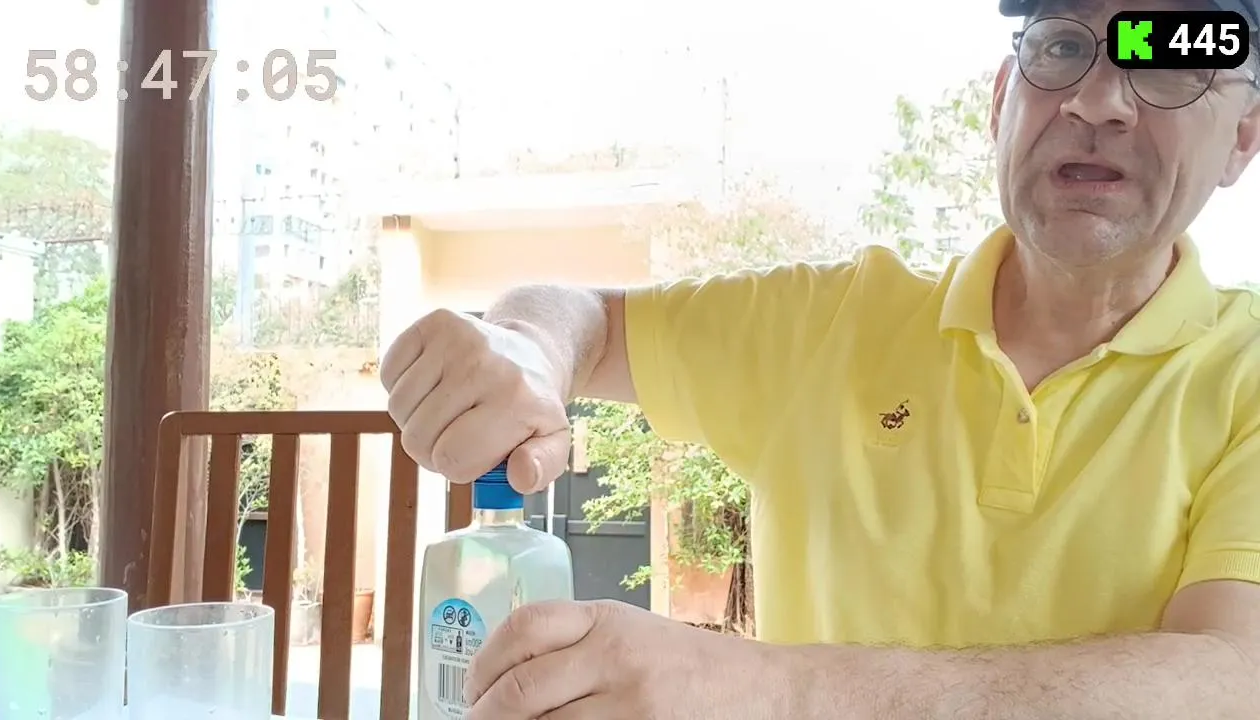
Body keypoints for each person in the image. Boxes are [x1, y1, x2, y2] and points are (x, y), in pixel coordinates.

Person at [380, 0, 1260, 716]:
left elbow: (1233, 674)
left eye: (1172, 58)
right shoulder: (831, 319)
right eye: (1062, 46)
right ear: (1001, 104)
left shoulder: (1247, 370)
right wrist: (526, 348)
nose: (1098, 100)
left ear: (1244, 135)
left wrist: (769, 691)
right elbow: (590, 319)